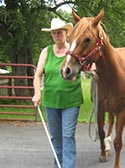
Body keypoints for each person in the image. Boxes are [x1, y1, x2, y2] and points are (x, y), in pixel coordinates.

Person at [32, 18, 83, 168]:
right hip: (51, 100)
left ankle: (68, 166)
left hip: (71, 101)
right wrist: (37, 93)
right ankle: (58, 165)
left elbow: (90, 63)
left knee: (67, 135)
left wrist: (93, 70)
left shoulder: (74, 50)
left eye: (59, 32)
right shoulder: (46, 51)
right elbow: (38, 74)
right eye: (54, 33)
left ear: (66, 33)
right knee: (56, 137)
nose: (56, 35)